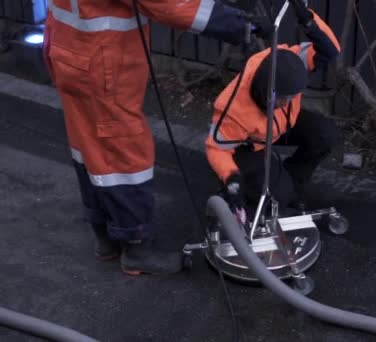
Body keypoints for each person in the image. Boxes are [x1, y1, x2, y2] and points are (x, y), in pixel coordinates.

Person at [43, 0, 271, 275]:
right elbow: (172, 4)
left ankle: (105, 236)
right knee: (126, 159)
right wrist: (241, 25)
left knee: (88, 147)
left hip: (68, 51)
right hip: (102, 64)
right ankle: (136, 247)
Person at [205, 0, 341, 213]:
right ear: (266, 89)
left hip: (280, 125)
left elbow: (329, 51)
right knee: (276, 195)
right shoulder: (234, 108)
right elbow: (215, 148)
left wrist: (308, 20)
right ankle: (259, 192)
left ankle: (290, 186)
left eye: (291, 97)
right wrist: (230, 177)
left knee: (324, 134)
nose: (286, 102)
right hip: (247, 144)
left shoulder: (291, 62)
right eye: (282, 98)